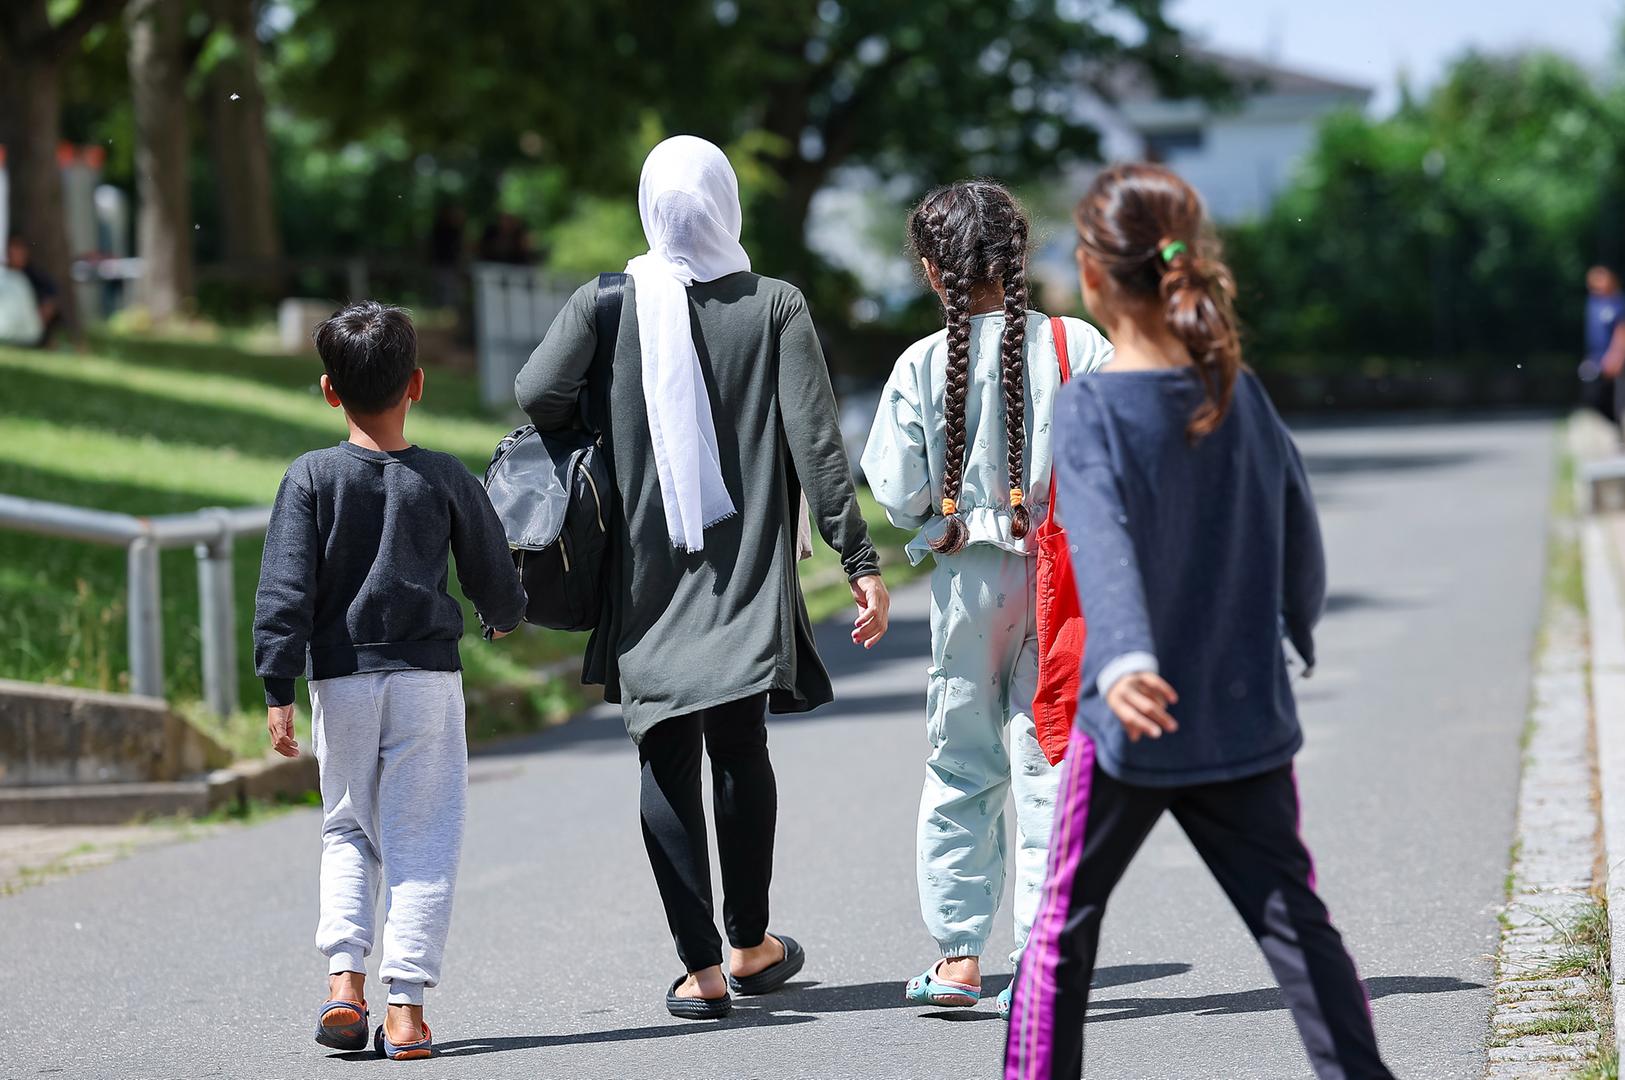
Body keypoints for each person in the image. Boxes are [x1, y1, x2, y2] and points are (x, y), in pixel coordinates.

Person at [1003, 163, 1395, 1080]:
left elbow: (1097, 537)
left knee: (1062, 933)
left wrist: (1128, 657)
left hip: (1131, 726)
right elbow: (1298, 531)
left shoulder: (1094, 406)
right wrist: (1295, 627)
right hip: (1242, 709)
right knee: (1296, 924)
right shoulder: (1239, 392)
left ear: (1094, 279)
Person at [514, 135, 890, 1020]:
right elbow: (816, 443)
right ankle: (751, 942)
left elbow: (537, 394)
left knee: (664, 753)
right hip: (743, 573)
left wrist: (614, 411)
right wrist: (859, 557)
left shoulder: (609, 302)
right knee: (740, 749)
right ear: (728, 205)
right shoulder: (776, 306)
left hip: (645, 570)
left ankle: (702, 969)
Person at [862, 180, 1114, 1019]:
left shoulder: (920, 364)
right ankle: (1040, 967)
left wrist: (941, 522)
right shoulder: (1076, 344)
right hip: (1057, 578)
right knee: (1047, 761)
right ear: (1021, 256)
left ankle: (959, 959)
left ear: (933, 273)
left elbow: (896, 490)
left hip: (968, 583)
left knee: (959, 762)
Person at [253, 301, 527, 1061]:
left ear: (327, 390)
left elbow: (283, 590)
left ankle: (345, 985)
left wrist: (278, 685)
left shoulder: (309, 478)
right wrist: (503, 616)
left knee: (346, 827)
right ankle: (404, 1009)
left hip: (340, 681)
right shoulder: (443, 477)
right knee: (423, 839)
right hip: (426, 683)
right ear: (417, 383)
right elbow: (493, 573)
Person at [1580, 264, 1625, 449]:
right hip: (1596, 360)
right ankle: (1617, 427)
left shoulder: (1619, 302)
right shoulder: (1593, 303)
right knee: (1593, 398)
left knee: (1618, 401)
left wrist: (1616, 358)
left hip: (1616, 362)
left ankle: (1622, 437)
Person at [6, 234, 60, 346]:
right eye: (12, 252)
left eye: (20, 252)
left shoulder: (34, 276)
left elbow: (50, 298)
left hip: (31, 325)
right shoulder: (5, 276)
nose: (16, 256)